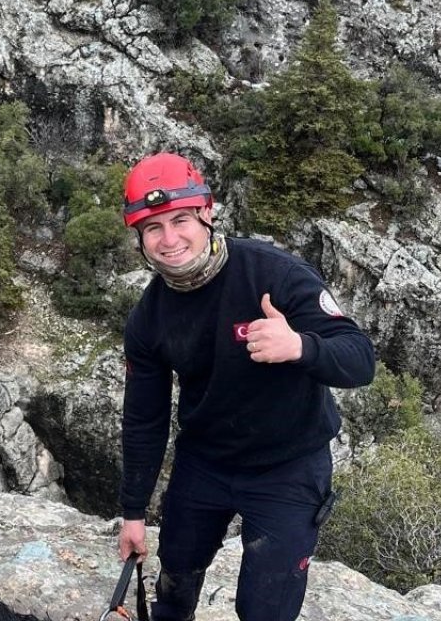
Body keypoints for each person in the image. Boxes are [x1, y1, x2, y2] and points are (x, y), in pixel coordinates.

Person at [114, 153, 375, 620]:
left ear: (207, 213)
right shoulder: (149, 317)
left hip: (288, 466)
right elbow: (143, 419)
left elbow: (359, 359)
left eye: (180, 220)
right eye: (153, 228)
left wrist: (300, 345)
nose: (169, 239)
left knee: (266, 609)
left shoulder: (272, 274)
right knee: (173, 587)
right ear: (140, 238)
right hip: (205, 461)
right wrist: (133, 512)